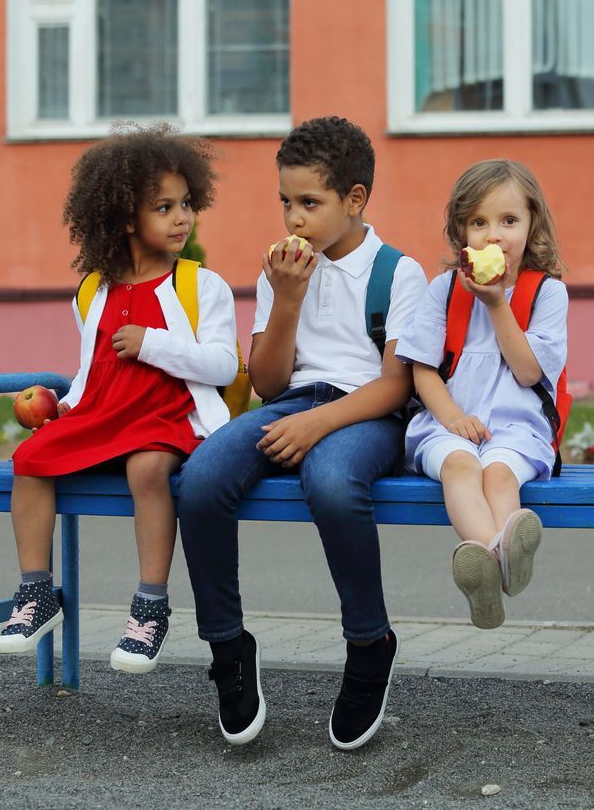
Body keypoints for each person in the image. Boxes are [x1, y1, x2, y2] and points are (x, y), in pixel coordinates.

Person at [177, 116, 428, 751]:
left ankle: (370, 643)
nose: (294, 218)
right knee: (202, 478)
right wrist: (286, 299)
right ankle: (228, 646)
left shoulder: (398, 274)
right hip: (289, 402)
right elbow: (265, 381)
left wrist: (317, 423)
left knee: (333, 483)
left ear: (355, 200)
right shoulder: (279, 272)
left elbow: (397, 385)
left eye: (309, 203)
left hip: (365, 413)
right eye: (285, 202)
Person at [0, 124, 238, 675]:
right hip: (104, 415)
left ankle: (151, 603)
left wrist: (153, 344)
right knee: (30, 460)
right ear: (126, 218)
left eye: (187, 204)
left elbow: (222, 366)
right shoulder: (93, 290)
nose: (182, 218)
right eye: (164, 207)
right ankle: (36, 594)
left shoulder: (201, 286)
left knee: (148, 469)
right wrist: (62, 408)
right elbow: (90, 372)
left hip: (166, 417)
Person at [395, 159, 568, 630]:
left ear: (532, 223)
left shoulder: (547, 294)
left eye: (509, 221)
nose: (494, 236)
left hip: (518, 425)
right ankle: (501, 564)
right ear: (461, 231)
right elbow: (422, 370)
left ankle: (490, 570)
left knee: (497, 474)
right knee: (460, 465)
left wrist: (496, 304)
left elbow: (530, 372)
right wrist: (451, 417)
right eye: (479, 223)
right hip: (448, 422)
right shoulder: (444, 289)